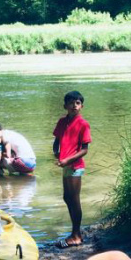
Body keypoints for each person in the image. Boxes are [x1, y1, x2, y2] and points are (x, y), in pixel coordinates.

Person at [53, 91, 91, 246]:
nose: (74, 105)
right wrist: (56, 153)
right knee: (67, 198)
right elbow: (57, 140)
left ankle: (76, 235)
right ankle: (76, 232)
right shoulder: (62, 122)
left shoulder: (83, 124)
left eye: (77, 103)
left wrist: (67, 159)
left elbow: (84, 149)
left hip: (75, 166)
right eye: (71, 103)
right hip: (65, 164)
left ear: (81, 106)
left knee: (74, 199)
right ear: (65, 106)